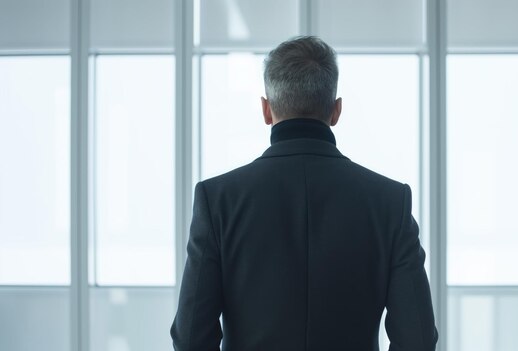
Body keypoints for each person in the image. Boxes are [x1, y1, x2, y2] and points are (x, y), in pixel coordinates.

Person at [170, 36, 438, 351]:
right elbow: (417, 340)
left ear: (266, 110)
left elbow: (191, 340)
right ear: (336, 111)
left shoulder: (217, 200)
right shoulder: (390, 202)